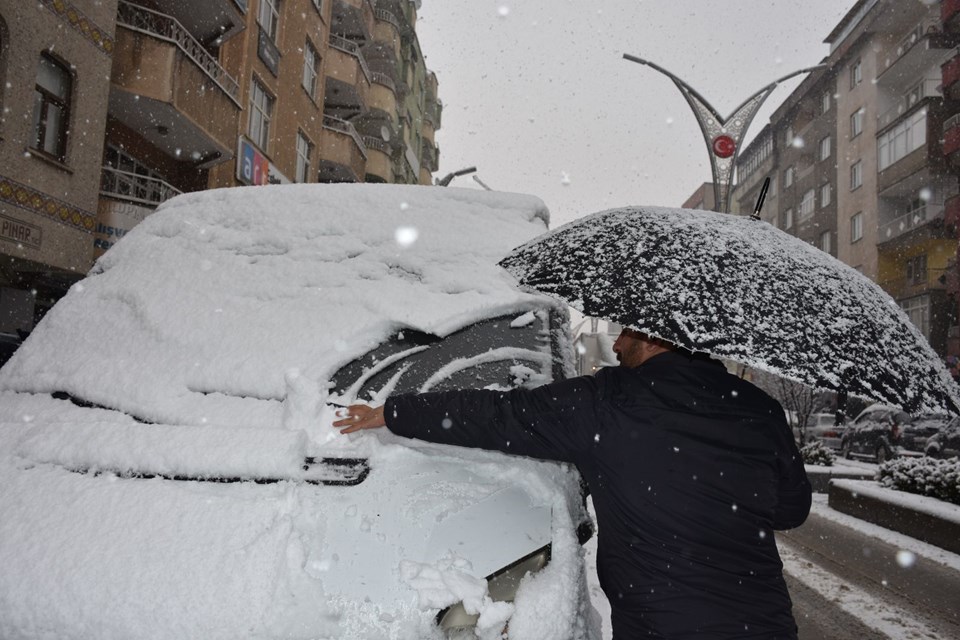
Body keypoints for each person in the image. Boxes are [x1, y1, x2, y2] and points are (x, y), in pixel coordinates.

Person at [333, 328, 811, 639]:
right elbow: (792, 509)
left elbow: (501, 416)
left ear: (656, 339)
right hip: (765, 624)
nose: (618, 345)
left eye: (627, 333)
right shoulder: (758, 408)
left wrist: (395, 411)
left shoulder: (609, 402)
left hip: (661, 627)